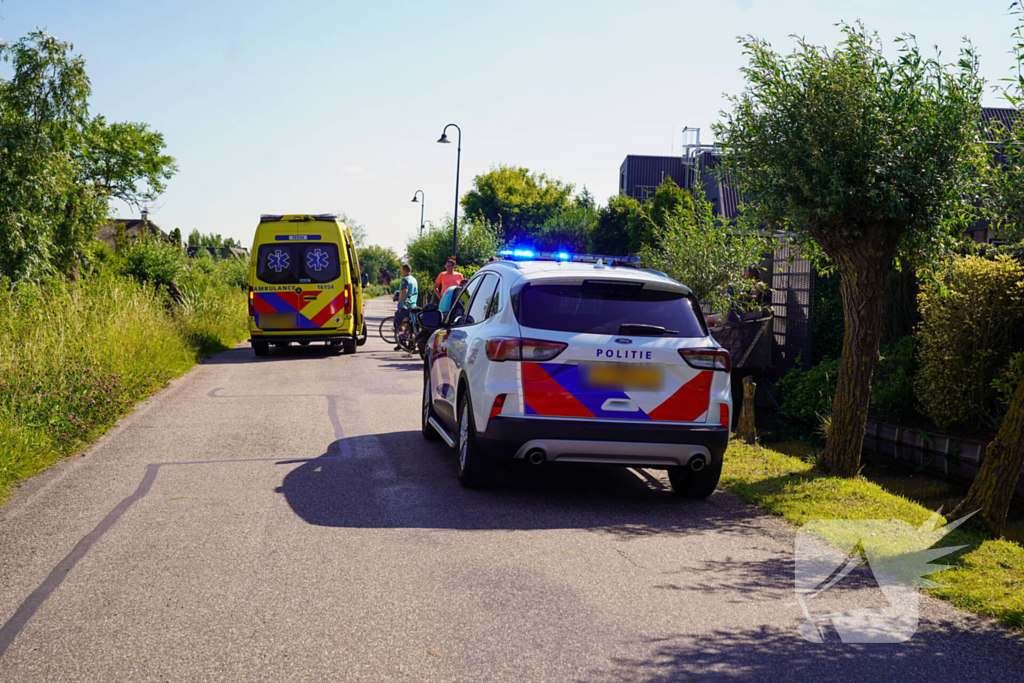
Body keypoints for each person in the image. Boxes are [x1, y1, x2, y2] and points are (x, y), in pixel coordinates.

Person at [394, 263, 418, 351]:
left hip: (405, 305)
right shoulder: (414, 279)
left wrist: (400, 302)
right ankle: (411, 344)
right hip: (413, 305)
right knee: (411, 325)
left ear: (404, 270)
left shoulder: (405, 279)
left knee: (397, 322)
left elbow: (405, 291)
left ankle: (402, 340)